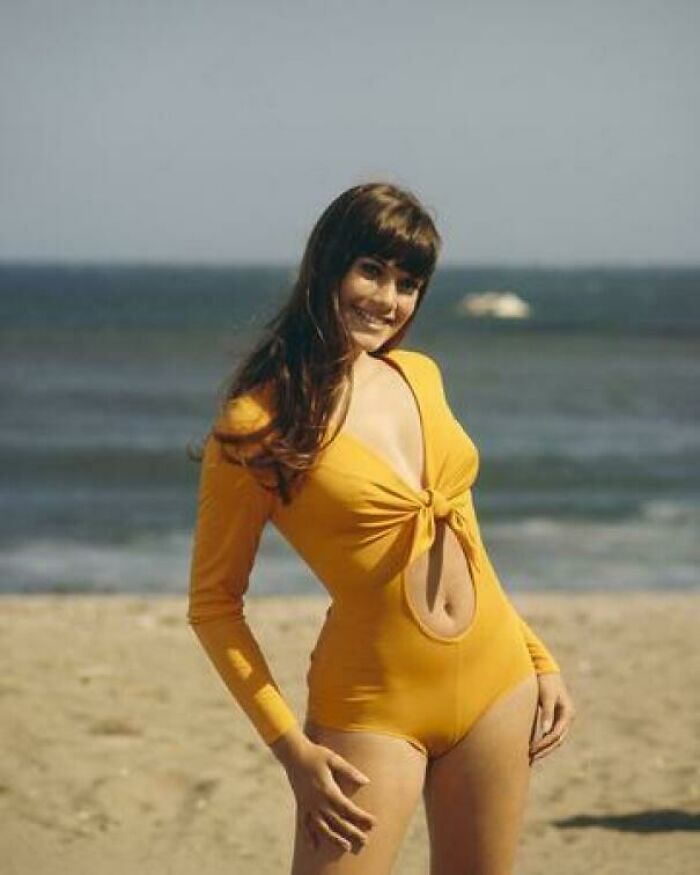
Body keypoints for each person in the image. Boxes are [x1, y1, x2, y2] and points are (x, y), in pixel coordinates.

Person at [187, 181, 576, 875]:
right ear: (326, 265)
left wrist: (535, 652)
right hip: (373, 706)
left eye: (408, 282)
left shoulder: (420, 375)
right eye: (371, 269)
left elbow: (466, 535)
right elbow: (215, 606)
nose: (386, 298)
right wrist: (292, 750)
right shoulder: (256, 425)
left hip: (498, 682)